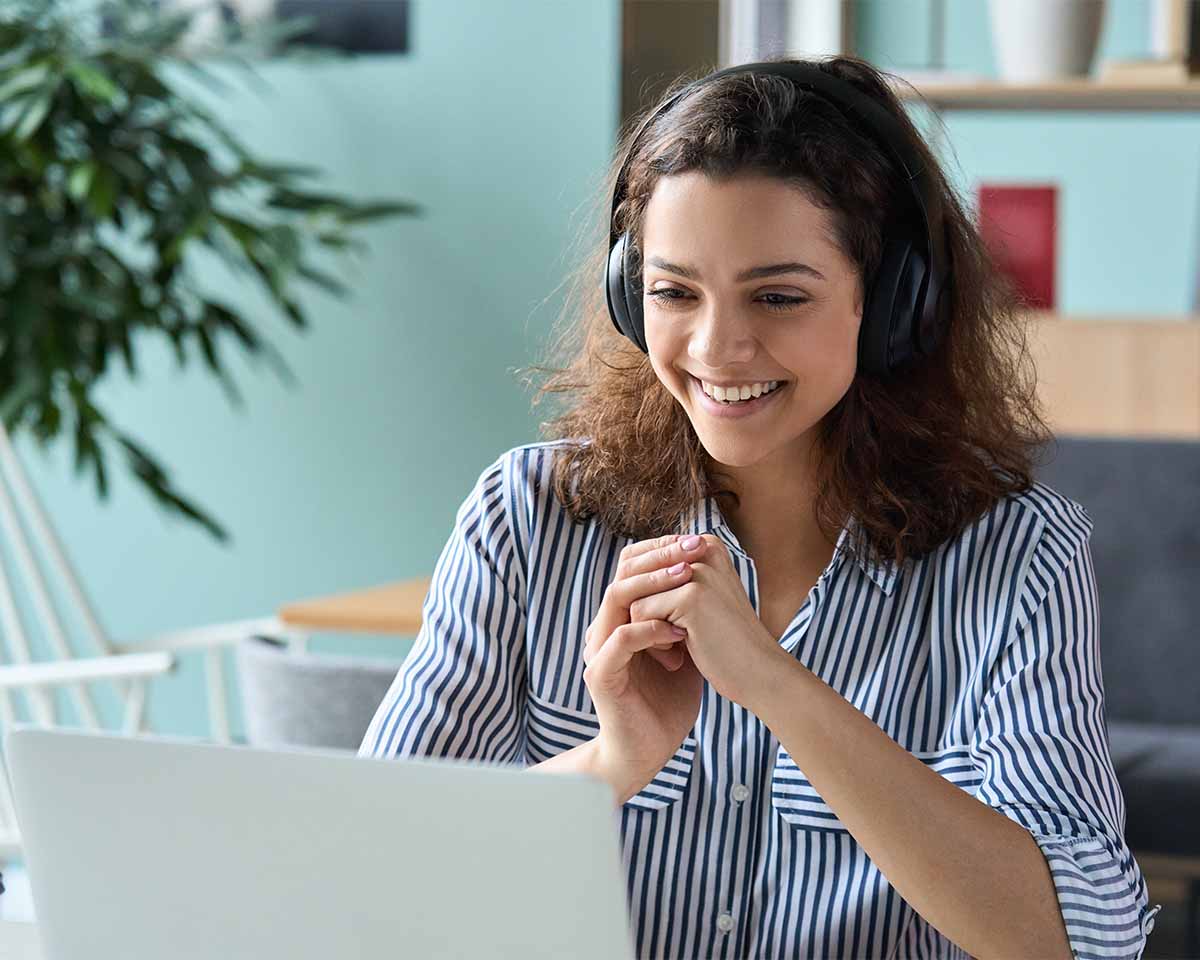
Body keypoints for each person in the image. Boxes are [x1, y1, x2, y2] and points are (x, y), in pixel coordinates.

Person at [359, 55, 1162, 960]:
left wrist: (775, 687)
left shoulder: (1016, 556)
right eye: (672, 292)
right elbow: (367, 874)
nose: (717, 347)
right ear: (631, 294)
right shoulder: (528, 517)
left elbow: (1078, 938)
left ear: (894, 303)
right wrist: (608, 765)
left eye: (778, 296)